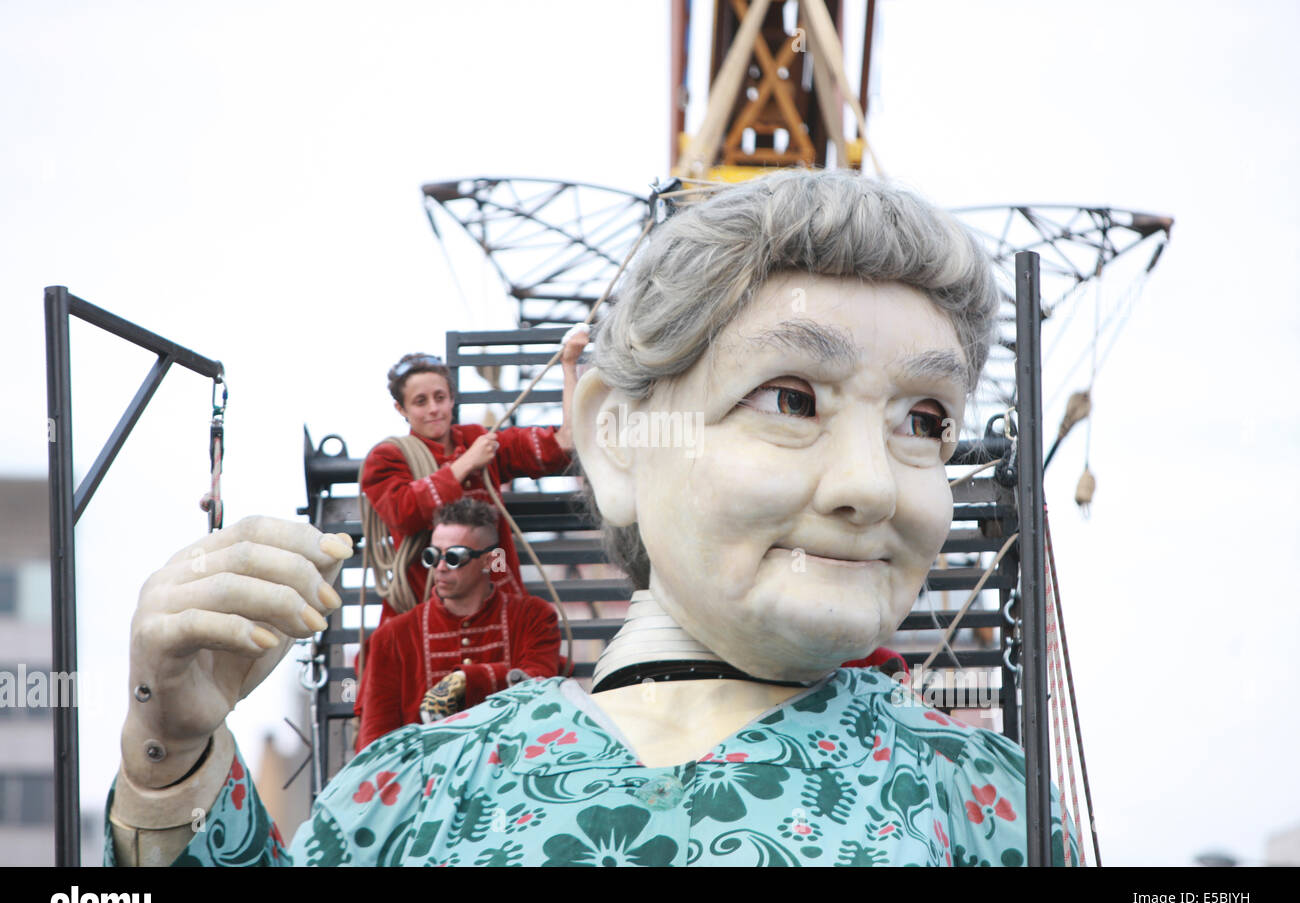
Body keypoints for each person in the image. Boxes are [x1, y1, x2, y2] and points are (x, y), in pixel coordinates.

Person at [106, 170, 1077, 867]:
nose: (872, 481)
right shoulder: (412, 787)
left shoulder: (985, 799)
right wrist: (171, 750)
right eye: (792, 398)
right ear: (615, 441)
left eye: (925, 420)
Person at [361, 336, 586, 623]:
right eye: (420, 401)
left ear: (451, 399)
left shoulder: (480, 440)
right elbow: (403, 513)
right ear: (401, 409)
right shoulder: (386, 458)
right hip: (425, 607)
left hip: (497, 589)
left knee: (535, 625)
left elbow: (565, 441)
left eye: (440, 398)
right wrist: (467, 462)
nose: (433, 409)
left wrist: (569, 365)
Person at [355, 498, 561, 751]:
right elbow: (375, 741)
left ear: (488, 561)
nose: (439, 568)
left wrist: (468, 678)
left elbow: (539, 686)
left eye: (454, 557)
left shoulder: (534, 616)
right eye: (431, 556)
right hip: (426, 779)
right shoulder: (392, 637)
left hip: (511, 770)